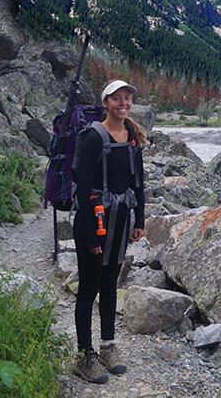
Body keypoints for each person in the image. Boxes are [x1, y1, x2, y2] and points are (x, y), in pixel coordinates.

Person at [71, 79, 147, 384]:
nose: (123, 103)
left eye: (127, 98)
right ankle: (83, 356)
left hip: (119, 223)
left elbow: (138, 184)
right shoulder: (93, 137)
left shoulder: (132, 137)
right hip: (94, 222)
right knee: (89, 290)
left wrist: (139, 220)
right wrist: (89, 236)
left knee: (110, 287)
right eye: (117, 98)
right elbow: (84, 188)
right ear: (106, 103)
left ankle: (107, 346)